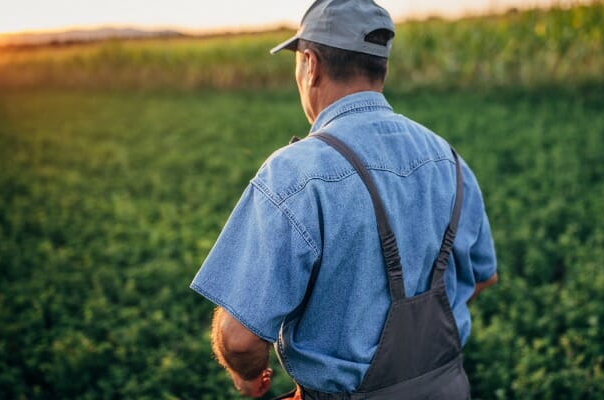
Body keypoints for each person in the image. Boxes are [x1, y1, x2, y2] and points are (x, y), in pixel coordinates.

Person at [190, 0, 498, 398]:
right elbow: (483, 275)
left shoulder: (295, 174)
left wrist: (247, 377)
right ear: (381, 68)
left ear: (311, 64)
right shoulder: (448, 159)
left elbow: (239, 339)